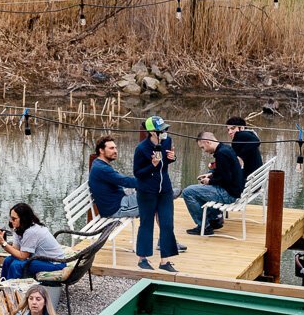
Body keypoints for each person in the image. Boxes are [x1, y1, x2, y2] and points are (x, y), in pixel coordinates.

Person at [133, 116, 180, 272]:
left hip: (165, 189)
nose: (165, 132)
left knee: (167, 223)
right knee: (147, 223)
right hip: (147, 190)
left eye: (166, 128)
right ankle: (142, 259)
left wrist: (172, 158)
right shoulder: (141, 149)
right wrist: (152, 166)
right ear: (151, 132)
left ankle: (165, 261)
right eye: (161, 130)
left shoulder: (167, 141)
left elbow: (165, 164)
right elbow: (138, 173)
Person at [183, 132, 244, 235]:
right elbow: (225, 171)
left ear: (207, 142)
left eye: (203, 148)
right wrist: (210, 175)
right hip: (234, 190)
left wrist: (209, 181)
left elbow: (226, 179)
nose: (204, 151)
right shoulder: (225, 148)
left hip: (228, 194)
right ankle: (214, 220)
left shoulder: (221, 154)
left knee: (188, 192)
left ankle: (204, 227)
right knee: (198, 189)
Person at [0, 203, 69, 282]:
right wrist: (2, 241)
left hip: (56, 263)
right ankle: (3, 288)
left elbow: (22, 256)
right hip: (41, 259)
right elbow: (15, 250)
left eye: (14, 219)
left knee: (16, 265)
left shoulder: (32, 231)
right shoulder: (20, 228)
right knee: (8, 260)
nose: (11, 221)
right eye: (11, 218)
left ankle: (13, 290)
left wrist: (3, 243)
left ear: (23, 219)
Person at [88, 136, 140, 219]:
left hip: (119, 202)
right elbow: (124, 181)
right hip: (117, 209)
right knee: (155, 199)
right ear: (101, 150)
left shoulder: (98, 163)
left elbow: (122, 181)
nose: (115, 151)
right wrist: (146, 183)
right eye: (111, 148)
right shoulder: (102, 169)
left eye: (115, 148)